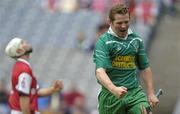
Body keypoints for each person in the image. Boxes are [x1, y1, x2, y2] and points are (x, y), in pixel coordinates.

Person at [93, 4, 159, 114]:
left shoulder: (136, 40)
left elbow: (144, 67)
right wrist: (114, 89)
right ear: (110, 22)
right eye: (119, 23)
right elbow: (100, 72)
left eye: (126, 22)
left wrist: (151, 93)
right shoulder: (103, 42)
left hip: (134, 93)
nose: (123, 26)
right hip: (111, 96)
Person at [5, 37, 64, 114]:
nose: (26, 42)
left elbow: (35, 92)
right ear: (19, 51)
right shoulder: (24, 69)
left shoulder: (21, 66)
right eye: (22, 43)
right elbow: (23, 97)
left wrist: (52, 89)